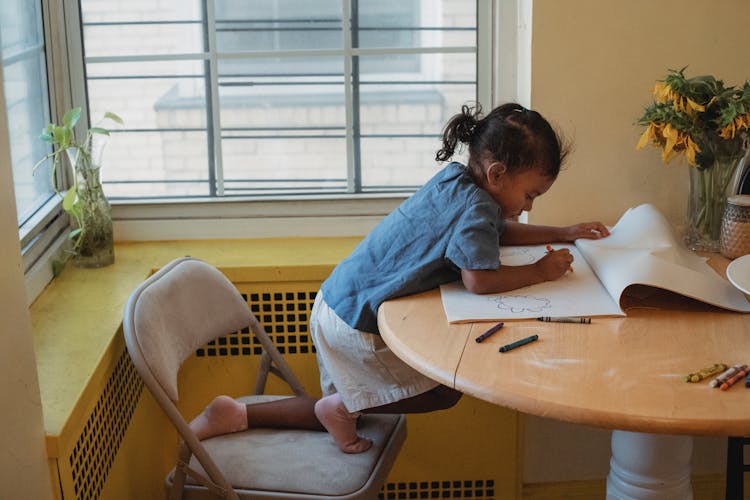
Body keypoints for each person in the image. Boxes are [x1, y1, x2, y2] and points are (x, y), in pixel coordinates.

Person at [189, 102, 610, 453]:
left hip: (336, 301)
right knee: (445, 390)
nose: (529, 207)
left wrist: (564, 232)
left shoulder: (458, 182)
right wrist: (539, 271)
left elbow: (498, 231)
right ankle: (337, 409)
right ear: (498, 174)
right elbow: (478, 281)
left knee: (348, 403)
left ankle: (237, 413)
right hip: (358, 324)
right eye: (531, 195)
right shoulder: (478, 209)